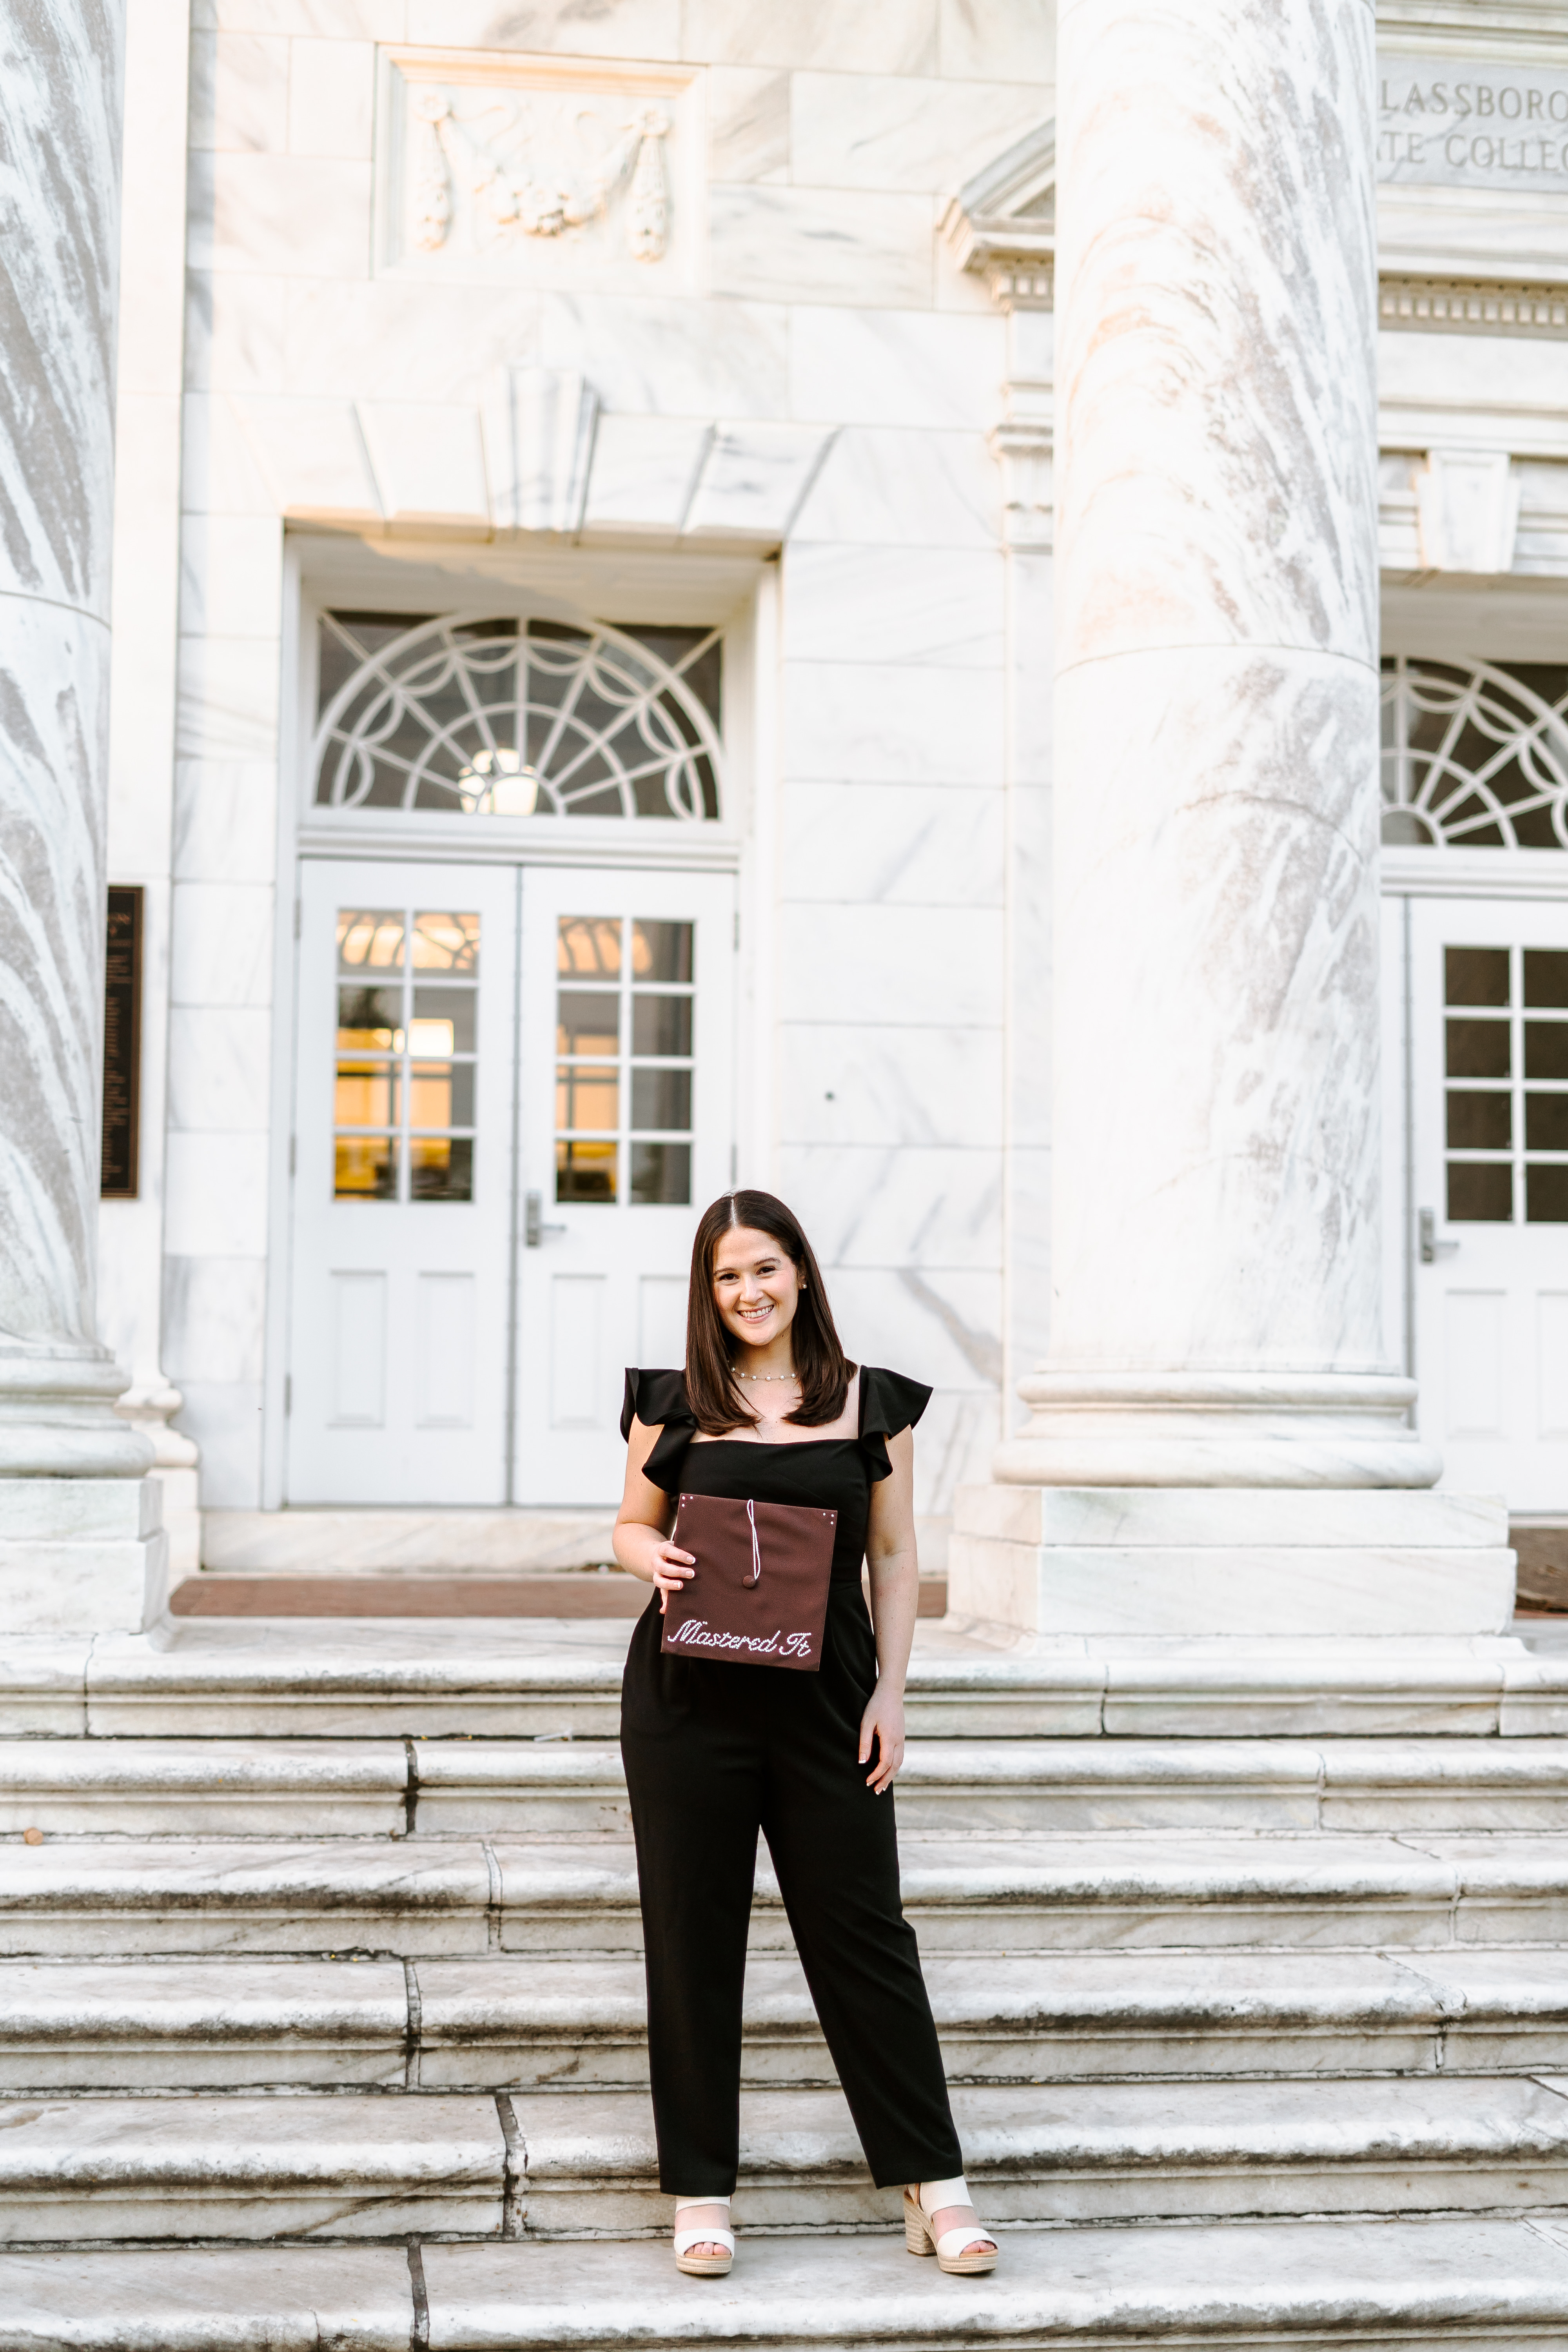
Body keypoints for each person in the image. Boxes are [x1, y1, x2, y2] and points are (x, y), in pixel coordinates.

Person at [613, 1187, 998, 2280]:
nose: (749, 1292)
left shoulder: (874, 1405)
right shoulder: (674, 1401)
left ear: (802, 1276)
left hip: (830, 1701)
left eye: (766, 1269)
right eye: (728, 1275)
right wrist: (654, 1561)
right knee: (693, 1940)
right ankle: (701, 2191)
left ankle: (935, 2185)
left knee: (866, 1936)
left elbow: (897, 1557)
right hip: (689, 1704)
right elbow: (627, 1528)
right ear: (710, 1289)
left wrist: (892, 1692)